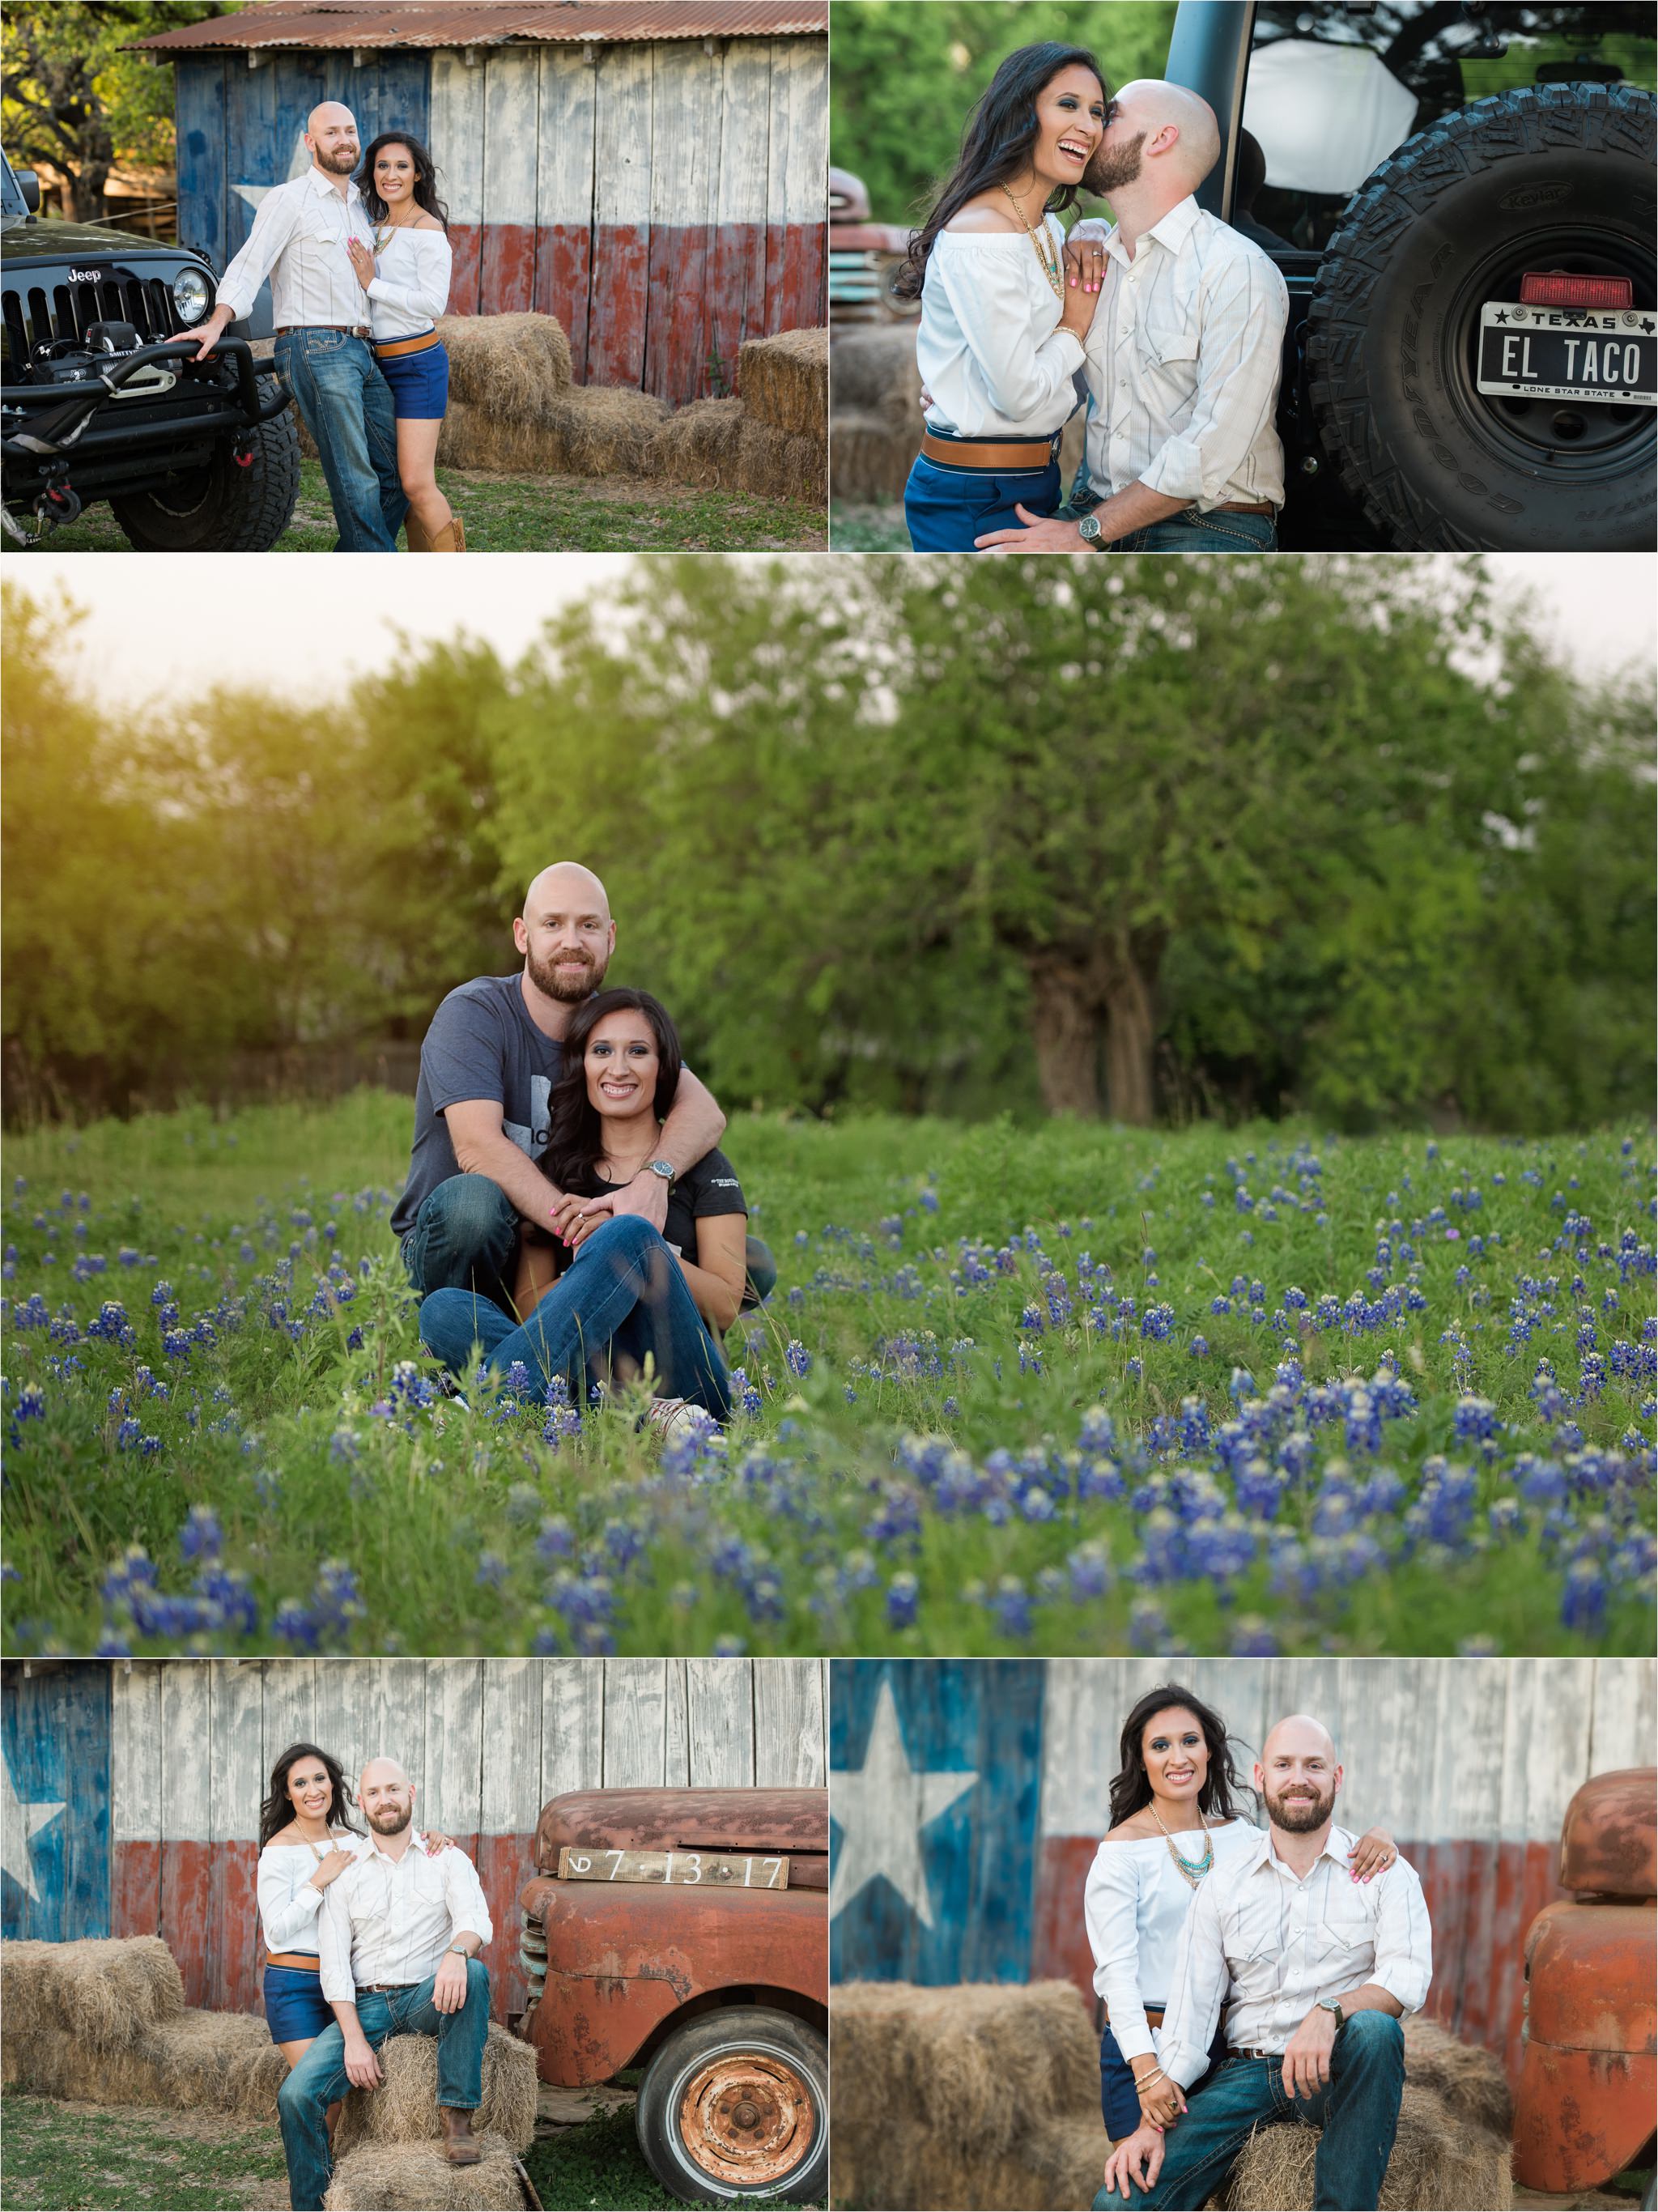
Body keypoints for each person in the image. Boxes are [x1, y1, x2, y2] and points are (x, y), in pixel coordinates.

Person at [389, 860, 773, 1329]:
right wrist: (601, 1239)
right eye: (553, 924)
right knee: (475, 1205)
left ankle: (601, 1358)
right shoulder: (474, 1013)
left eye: (588, 925)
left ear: (610, 937)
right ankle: (456, 1356)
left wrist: (654, 1180)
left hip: (556, 1251)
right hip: (472, 1242)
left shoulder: (611, 1027)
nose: (572, 941)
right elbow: (477, 1148)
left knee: (747, 1263)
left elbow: (704, 1113)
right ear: (522, 935)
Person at [1096, 1713, 1432, 2212]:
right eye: (1284, 1765)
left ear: (1336, 1778)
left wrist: (1330, 2011)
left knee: (1377, 2034)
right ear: (1261, 1778)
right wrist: (1151, 2125)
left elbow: (1407, 1980)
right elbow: (1192, 2020)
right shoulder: (1225, 1883)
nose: (1299, 1778)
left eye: (1314, 1765)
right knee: (1118, 2206)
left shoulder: (1384, 1873)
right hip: (1248, 2076)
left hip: (1335, 2071)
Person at [976, 79, 1289, 556]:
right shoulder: (1090, 260)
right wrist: (965, 384)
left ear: (1161, 139)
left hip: (1211, 523)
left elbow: (1208, 454)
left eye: (1109, 115)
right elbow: (1046, 383)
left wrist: (1081, 534)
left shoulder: (1237, 270)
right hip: (1092, 507)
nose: (1091, 129)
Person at [419, 989, 745, 1426]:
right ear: (583, 1065)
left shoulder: (702, 1165)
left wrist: (638, 1249)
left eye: (638, 1051)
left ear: (662, 1068)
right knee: (444, 1311)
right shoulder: (555, 1170)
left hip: (687, 1378)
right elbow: (529, 1308)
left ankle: (474, 1412)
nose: (619, 1067)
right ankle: (632, 1415)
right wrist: (595, 1266)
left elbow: (726, 1305)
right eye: (602, 1051)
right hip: (589, 1371)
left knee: (628, 1234)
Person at [896, 43, 1109, 551]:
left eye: (1097, 112)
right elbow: (1017, 396)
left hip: (1033, 476)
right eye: (1068, 104)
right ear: (1021, 113)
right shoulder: (984, 237)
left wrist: (1096, 230)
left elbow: (1051, 380)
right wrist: (1073, 328)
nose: (1088, 125)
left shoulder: (1048, 227)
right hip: (971, 492)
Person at [181, 102, 407, 553]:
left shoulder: (364, 207)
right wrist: (216, 321)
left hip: (365, 349)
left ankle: (350, 567)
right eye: (331, 133)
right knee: (356, 474)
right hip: (315, 345)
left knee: (400, 474)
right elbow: (250, 264)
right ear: (311, 142)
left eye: (350, 130)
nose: (343, 140)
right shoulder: (289, 200)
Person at [276, 1757, 494, 2212]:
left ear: (410, 1793)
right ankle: (312, 2204)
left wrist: (457, 1953)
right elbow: (334, 1966)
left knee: (472, 1972)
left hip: (425, 1997)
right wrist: (354, 2040)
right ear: (361, 1802)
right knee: (296, 2094)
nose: (384, 1800)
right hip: (368, 2005)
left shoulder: (446, 1857)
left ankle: (457, 2121)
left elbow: (476, 1921)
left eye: (392, 1790)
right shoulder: (346, 1869)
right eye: (374, 1793)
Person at [256, 1745, 457, 2107]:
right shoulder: (278, 1849)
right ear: (288, 1793)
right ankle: (316, 2165)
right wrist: (317, 1882)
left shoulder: (353, 1841)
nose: (313, 1790)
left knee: (349, 2094)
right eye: (300, 1783)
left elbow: (393, 1851)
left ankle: (337, 2164)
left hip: (349, 1985)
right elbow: (276, 1931)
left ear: (333, 1785)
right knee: (321, 2095)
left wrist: (431, 1839)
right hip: (297, 1986)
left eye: (320, 1779)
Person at [346, 134, 462, 552]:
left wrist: (372, 283)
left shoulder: (428, 230)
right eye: (381, 166)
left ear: (417, 175)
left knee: (416, 481)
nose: (390, 175)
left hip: (416, 366)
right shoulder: (373, 229)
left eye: (401, 166)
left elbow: (434, 303)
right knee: (390, 477)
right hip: (377, 368)